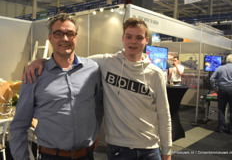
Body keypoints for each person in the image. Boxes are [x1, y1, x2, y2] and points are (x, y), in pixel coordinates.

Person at [24, 17, 172, 160]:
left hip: (150, 148)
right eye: (129, 36)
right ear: (122, 38)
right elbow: (69, 59)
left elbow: (164, 115)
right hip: (118, 148)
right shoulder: (106, 62)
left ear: (146, 40)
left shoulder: (155, 74)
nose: (133, 41)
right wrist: (43, 61)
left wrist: (167, 151)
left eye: (139, 37)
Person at [9, 13, 103, 160]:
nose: (65, 39)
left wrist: (96, 132)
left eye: (70, 34)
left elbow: (98, 104)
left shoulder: (93, 69)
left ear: (76, 37)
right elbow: (19, 125)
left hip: (87, 155)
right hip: (51, 156)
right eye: (58, 33)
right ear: (50, 37)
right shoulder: (34, 75)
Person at [210, 54, 232, 134]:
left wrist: (214, 88)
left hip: (222, 90)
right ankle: (230, 130)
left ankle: (220, 128)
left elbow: (212, 78)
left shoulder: (220, 68)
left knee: (221, 109)